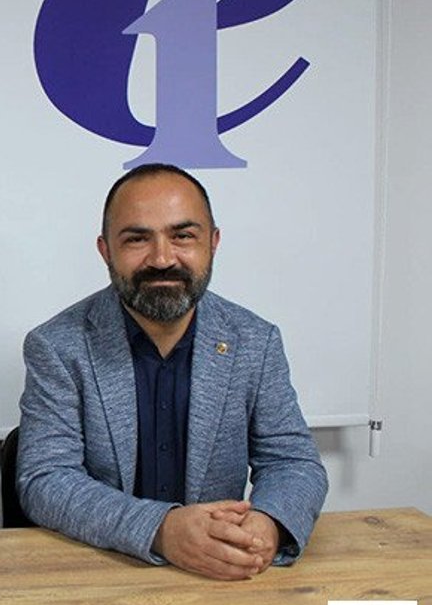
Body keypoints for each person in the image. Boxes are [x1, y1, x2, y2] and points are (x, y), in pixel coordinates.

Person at [17, 163, 327, 581]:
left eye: (182, 236)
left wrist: (267, 524)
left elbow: (293, 462)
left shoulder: (255, 340)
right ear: (105, 251)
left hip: (221, 579)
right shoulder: (57, 346)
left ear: (213, 243)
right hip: (104, 575)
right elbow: (45, 479)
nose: (162, 259)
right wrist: (161, 530)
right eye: (137, 239)